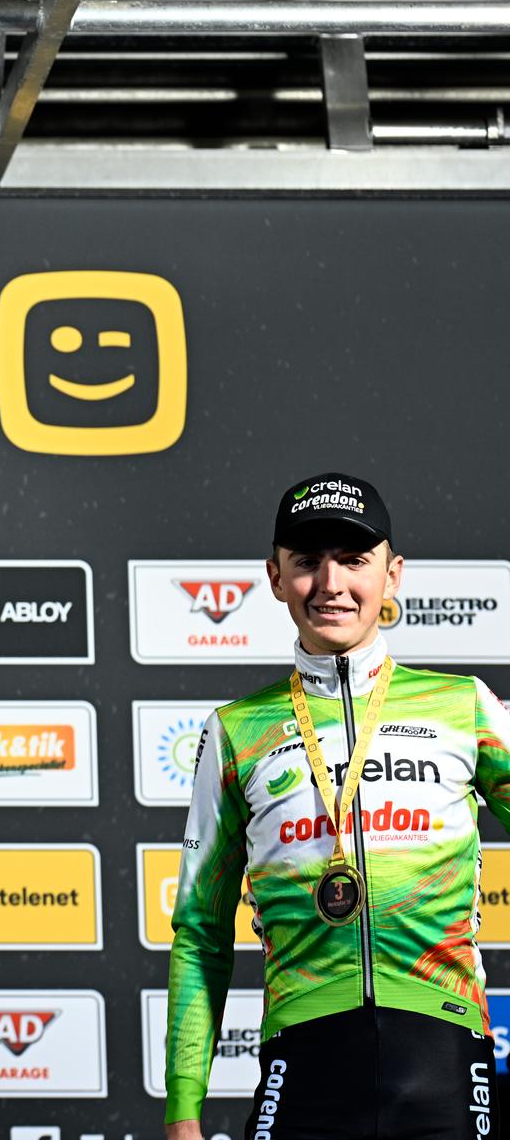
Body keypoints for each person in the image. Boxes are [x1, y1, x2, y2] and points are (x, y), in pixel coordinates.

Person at [166, 472, 504, 1140]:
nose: (331, 584)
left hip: (443, 1048)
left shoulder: (463, 706)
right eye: (306, 562)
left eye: (353, 560)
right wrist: (183, 1108)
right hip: (304, 1055)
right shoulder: (237, 731)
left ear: (392, 574)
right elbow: (201, 932)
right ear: (274, 576)